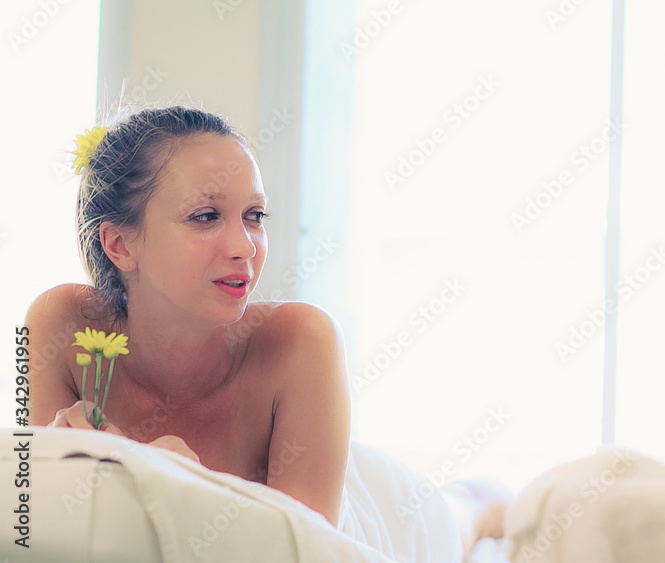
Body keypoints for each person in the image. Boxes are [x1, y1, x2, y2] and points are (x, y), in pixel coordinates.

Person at [27, 105, 506, 558]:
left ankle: (488, 502)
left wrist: (190, 495)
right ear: (119, 244)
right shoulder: (58, 324)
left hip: (362, 521)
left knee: (457, 520)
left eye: (254, 216)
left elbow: (304, 554)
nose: (244, 247)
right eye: (206, 217)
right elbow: (36, 528)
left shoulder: (302, 338)